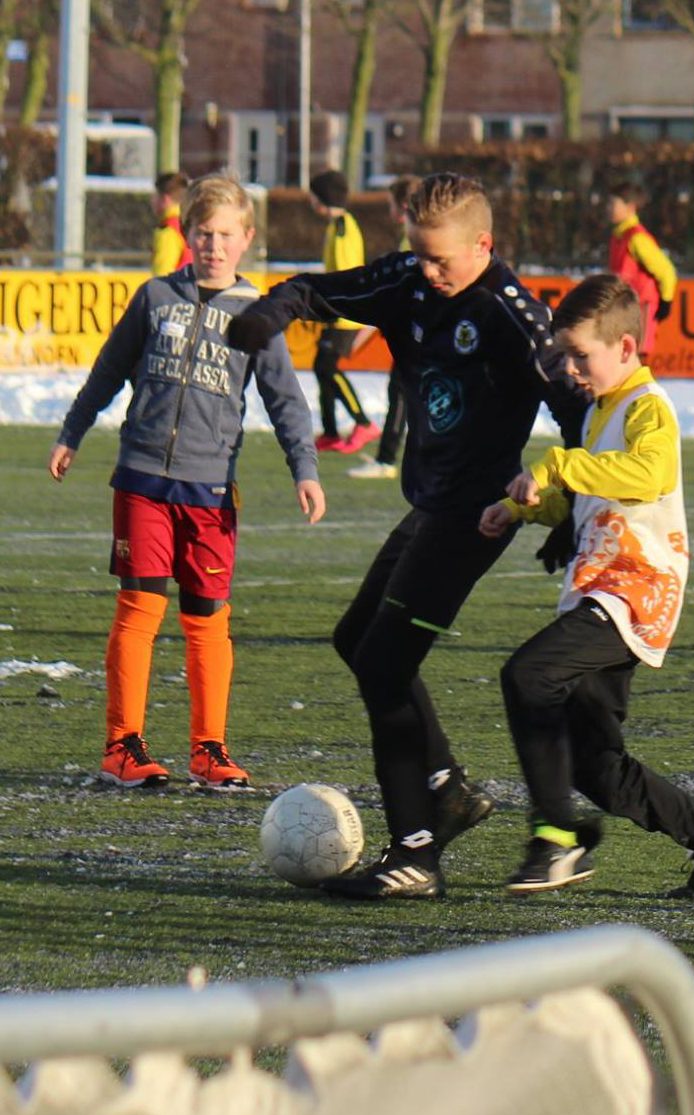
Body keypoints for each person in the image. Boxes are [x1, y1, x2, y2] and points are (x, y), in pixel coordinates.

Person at [227, 172, 587, 899]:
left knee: (386, 663)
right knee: (355, 639)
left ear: (483, 245)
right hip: (429, 503)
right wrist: (269, 315)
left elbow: (580, 412)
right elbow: (314, 288)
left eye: (441, 260)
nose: (426, 272)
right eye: (418, 255)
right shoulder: (409, 279)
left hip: (478, 514)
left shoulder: (513, 315)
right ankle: (446, 788)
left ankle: (417, 850)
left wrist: (569, 507)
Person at [480, 275, 694, 899]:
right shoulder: (600, 410)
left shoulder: (647, 406)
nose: (573, 369)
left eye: (583, 356)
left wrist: (555, 464)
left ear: (627, 348)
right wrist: (526, 508)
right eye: (568, 356)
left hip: (636, 590)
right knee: (597, 766)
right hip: (599, 589)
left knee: (528, 675)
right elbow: (588, 494)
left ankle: (557, 837)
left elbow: (648, 474)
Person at [52, 172, 325, 790]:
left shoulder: (258, 316)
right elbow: (108, 370)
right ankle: (123, 745)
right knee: (139, 609)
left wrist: (303, 469)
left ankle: (210, 749)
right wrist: (72, 431)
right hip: (143, 479)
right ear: (187, 232)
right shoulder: (154, 298)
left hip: (210, 492)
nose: (214, 245)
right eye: (203, 233)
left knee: (207, 619)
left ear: (247, 238)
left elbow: (286, 402)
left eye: (226, 234)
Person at [350, 174, 423, 481]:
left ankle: (387, 459)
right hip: (419, 331)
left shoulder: (414, 239)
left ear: (403, 205)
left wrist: (369, 327)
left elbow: (400, 293)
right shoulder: (419, 235)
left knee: (402, 393)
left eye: (391, 203)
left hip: (415, 334)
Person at [307, 169, 378, 455]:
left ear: (320, 198)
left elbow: (349, 273)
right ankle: (331, 432)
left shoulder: (343, 228)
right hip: (337, 310)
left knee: (327, 367)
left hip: (345, 313)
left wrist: (339, 306)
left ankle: (363, 423)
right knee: (321, 367)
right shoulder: (337, 224)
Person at [604, 181, 679, 360]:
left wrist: (666, 300)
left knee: (636, 360)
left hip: (641, 308)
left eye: (613, 204)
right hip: (624, 307)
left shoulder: (637, 238)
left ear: (630, 207)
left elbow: (666, 271)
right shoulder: (619, 236)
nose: (608, 208)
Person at [151, 172, 192, 278]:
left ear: (165, 199)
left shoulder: (168, 230)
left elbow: (162, 275)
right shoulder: (191, 224)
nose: (152, 200)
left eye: (155, 195)